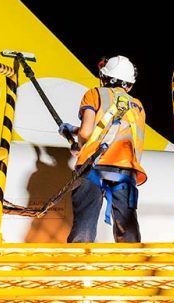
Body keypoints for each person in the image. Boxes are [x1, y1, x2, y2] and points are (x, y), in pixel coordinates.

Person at [58, 55, 147, 242]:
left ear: (104, 77)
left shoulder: (95, 94)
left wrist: (80, 145)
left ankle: (79, 258)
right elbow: (118, 130)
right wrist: (76, 133)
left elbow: (86, 132)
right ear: (130, 85)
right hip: (126, 170)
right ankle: (132, 259)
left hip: (94, 166)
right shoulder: (138, 106)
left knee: (84, 225)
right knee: (128, 227)